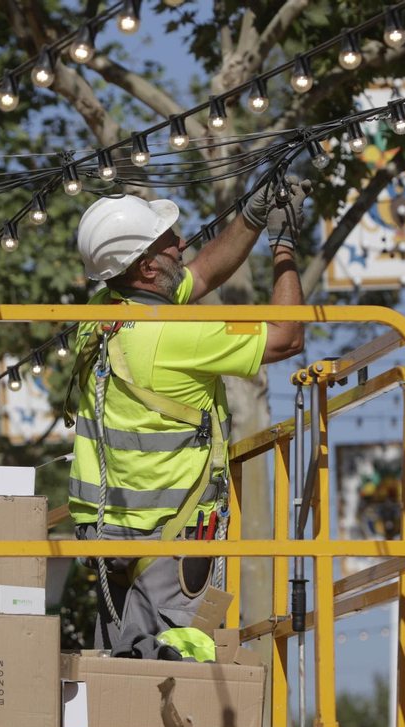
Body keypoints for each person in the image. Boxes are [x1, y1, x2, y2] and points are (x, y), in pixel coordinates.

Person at [64, 176, 311, 659]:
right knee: (173, 670)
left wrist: (253, 217)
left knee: (118, 670)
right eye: (167, 242)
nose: (181, 244)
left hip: (109, 535)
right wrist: (284, 247)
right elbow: (287, 337)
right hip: (170, 534)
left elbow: (200, 274)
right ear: (146, 267)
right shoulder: (177, 333)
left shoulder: (103, 315)